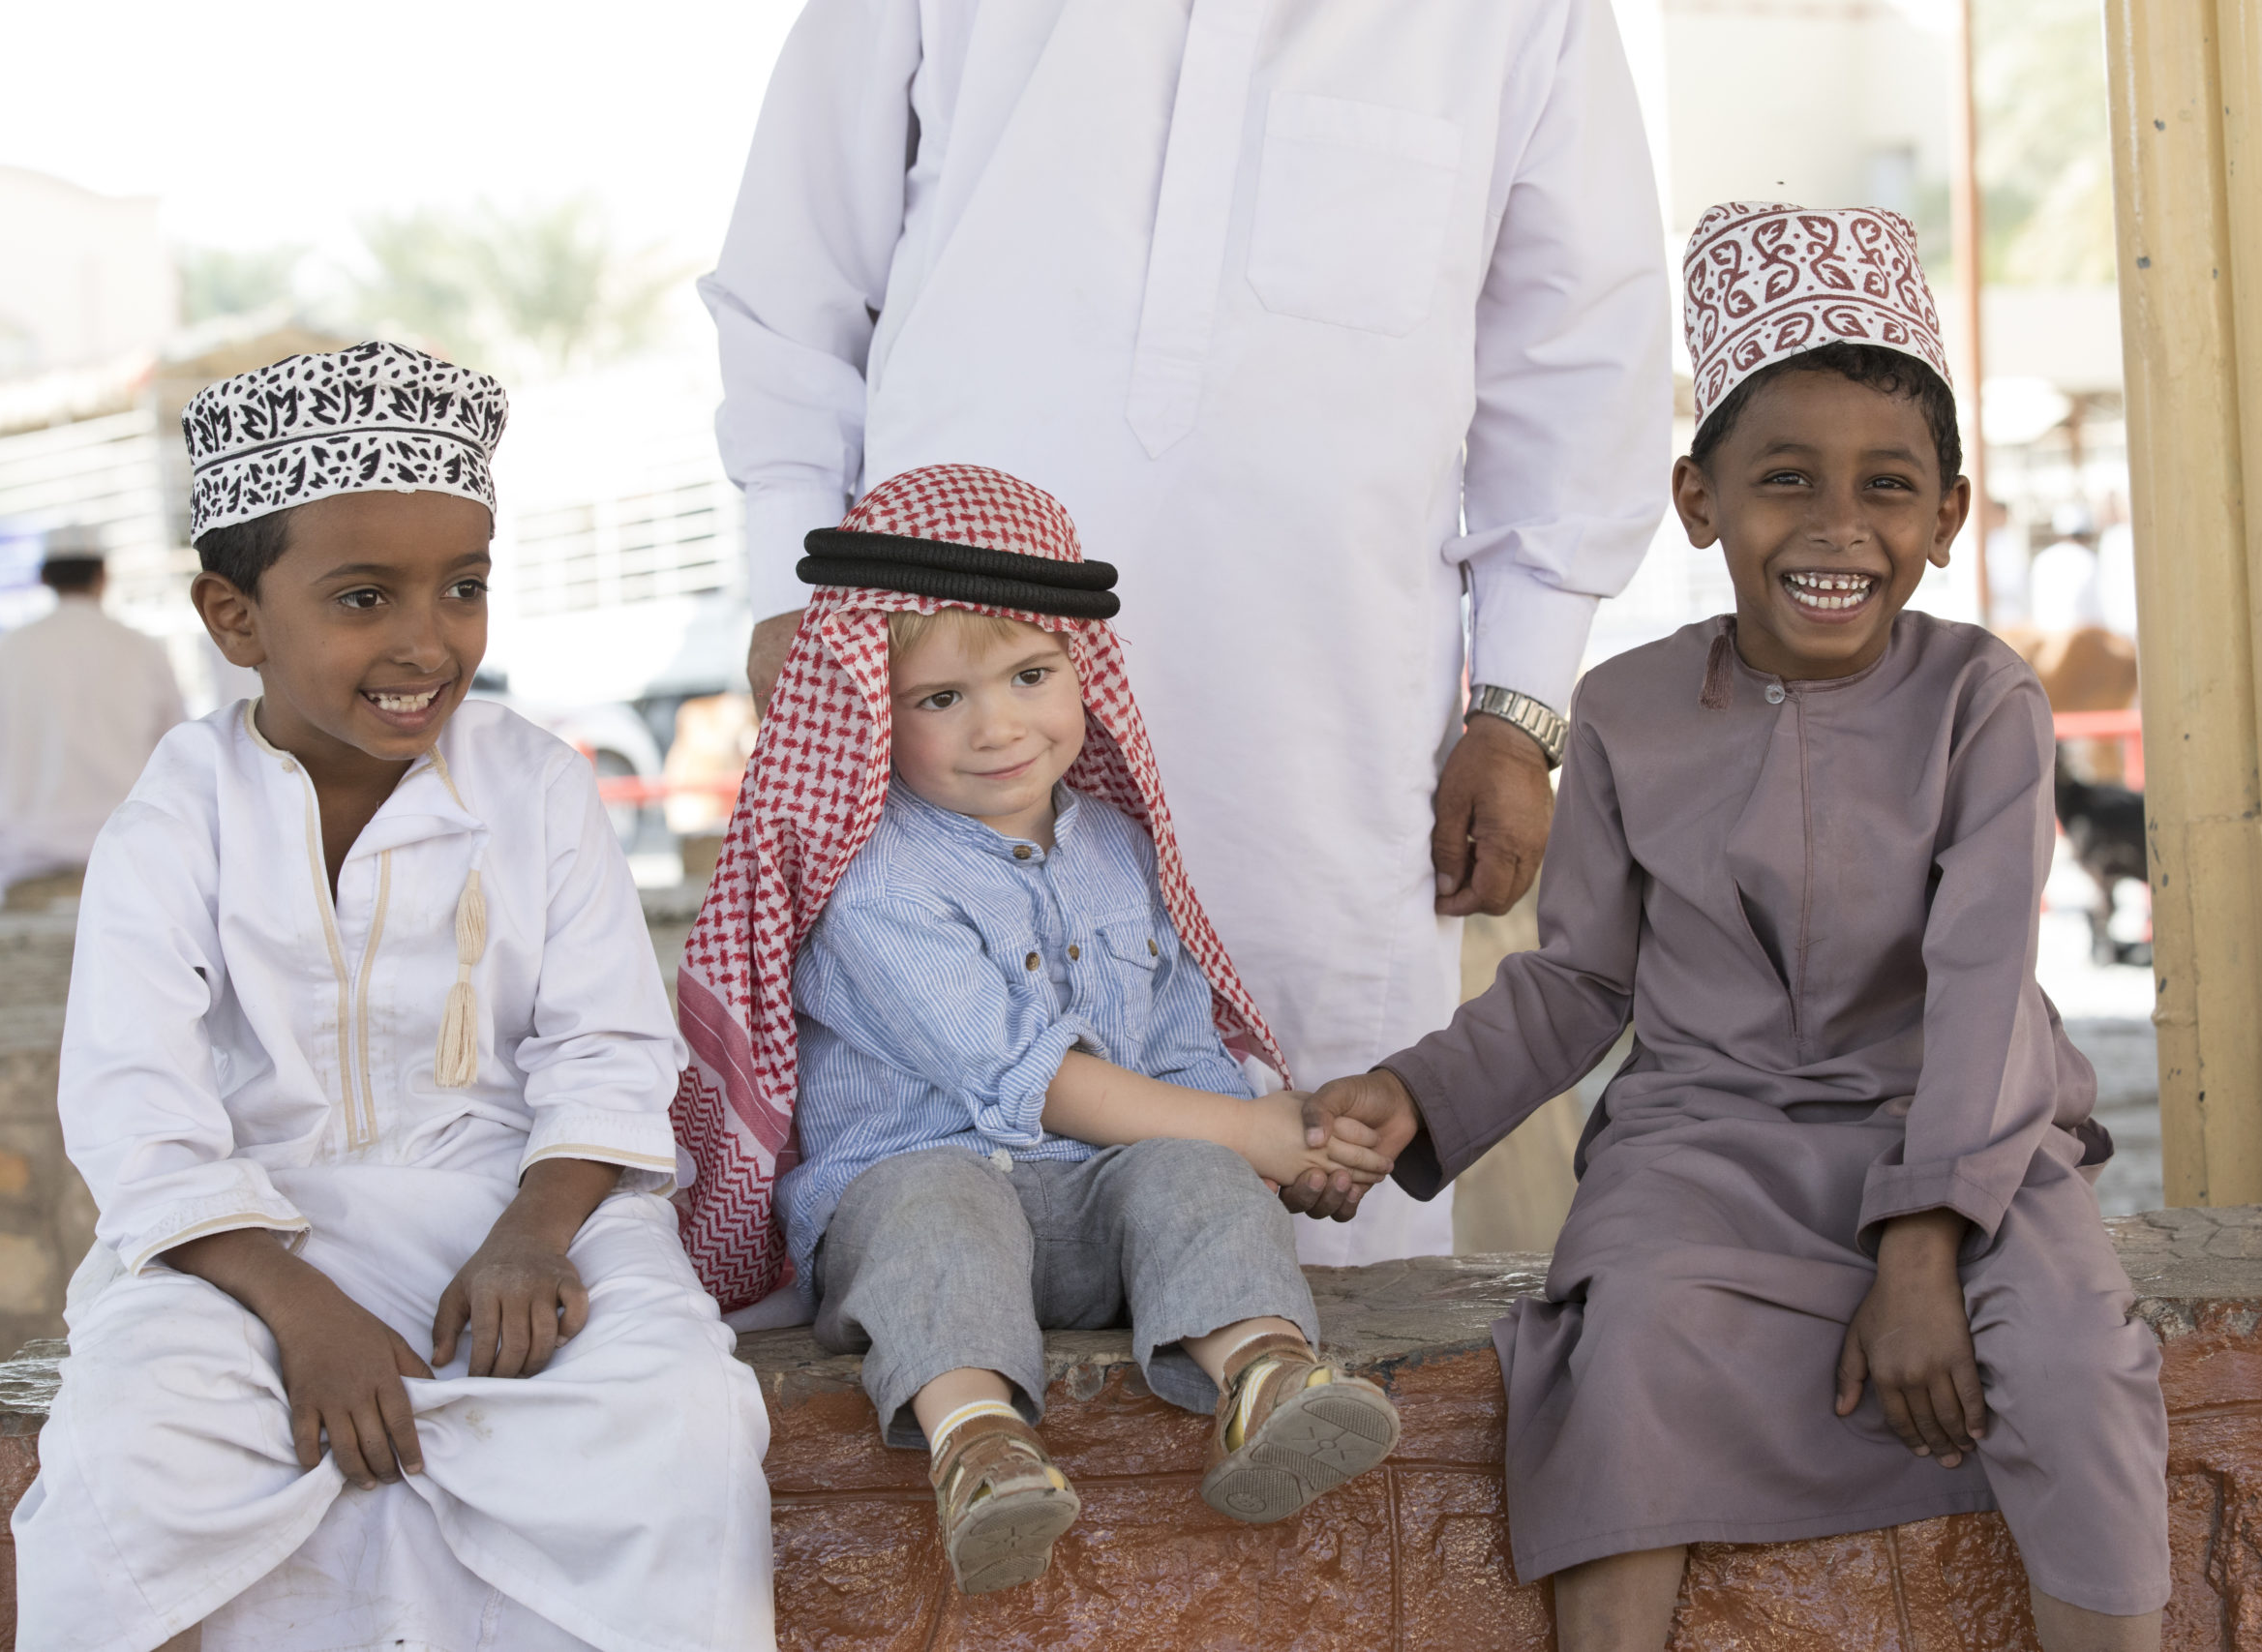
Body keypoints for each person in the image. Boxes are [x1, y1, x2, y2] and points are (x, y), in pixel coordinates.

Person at [1295, 206, 2171, 1652]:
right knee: (1624, 1333)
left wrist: (1922, 1245)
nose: (1838, 527)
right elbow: (1578, 977)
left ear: (1947, 515)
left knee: (2076, 1357)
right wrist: (1409, 1096)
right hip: (1704, 1137)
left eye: (1888, 486)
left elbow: (1980, 986)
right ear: (1702, 502)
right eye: (1785, 480)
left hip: (1965, 1126)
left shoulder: (1983, 702)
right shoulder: (1630, 711)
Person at [700, 0, 1673, 1262]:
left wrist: (1522, 705)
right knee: (935, 1193)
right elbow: (796, 272)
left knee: (1316, 1233)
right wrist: (794, 575)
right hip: (943, 706)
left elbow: (1580, 351)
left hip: (1326, 745)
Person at [12, 343, 776, 1652]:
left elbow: (606, 1042)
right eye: (366, 596)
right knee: (137, 1437)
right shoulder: (175, 815)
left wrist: (537, 1231)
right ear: (234, 616)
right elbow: (137, 1104)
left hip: (519, 1206)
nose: (429, 639)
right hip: (246, 1238)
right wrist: (300, 1307)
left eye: (464, 586)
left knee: (676, 1421)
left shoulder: (534, 784)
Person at [670, 463, 1401, 1596]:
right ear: (870, 707)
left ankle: (1262, 1379)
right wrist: (1263, 1134)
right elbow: (1031, 1078)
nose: (999, 726)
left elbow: (1177, 1053)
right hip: (926, 1180)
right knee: (936, 1215)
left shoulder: (1119, 843)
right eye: (941, 699)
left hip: (1101, 1209)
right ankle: (978, 1444)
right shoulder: (869, 879)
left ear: (1081, 671)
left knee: (1194, 1183)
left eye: (1031, 675)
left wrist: (1267, 1139)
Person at [0, 526, 187, 895]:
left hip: (26, 875)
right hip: (129, 868)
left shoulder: (9, 652)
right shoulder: (141, 649)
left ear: (44, 577)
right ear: (103, 575)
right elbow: (177, 755)